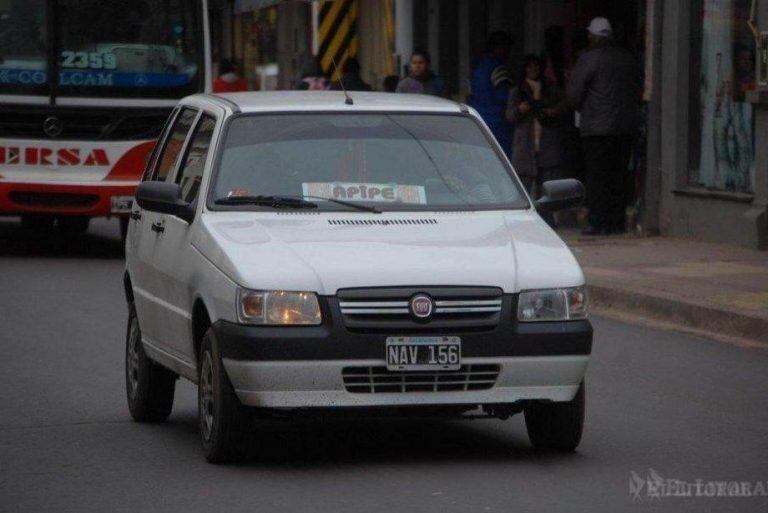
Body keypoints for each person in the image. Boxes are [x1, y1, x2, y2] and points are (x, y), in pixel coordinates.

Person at [567, 17, 639, 235]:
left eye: (589, 35)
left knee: (597, 176)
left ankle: (597, 222)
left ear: (594, 36)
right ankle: (616, 222)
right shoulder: (627, 59)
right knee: (618, 175)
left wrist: (579, 108)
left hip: (596, 129)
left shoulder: (589, 59)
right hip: (624, 128)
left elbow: (574, 95)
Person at [507, 55, 568, 227]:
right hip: (525, 145)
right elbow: (509, 115)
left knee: (546, 186)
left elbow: (564, 105)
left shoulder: (550, 88)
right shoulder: (517, 90)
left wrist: (552, 112)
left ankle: (547, 220)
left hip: (546, 143)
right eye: (529, 67)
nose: (533, 70)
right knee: (524, 186)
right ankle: (523, 220)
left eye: (536, 67)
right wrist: (520, 109)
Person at [470, 31, 515, 159]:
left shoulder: (478, 68)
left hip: (480, 121)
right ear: (499, 48)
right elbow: (505, 97)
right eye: (506, 48)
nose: (508, 53)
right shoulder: (499, 69)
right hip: (499, 125)